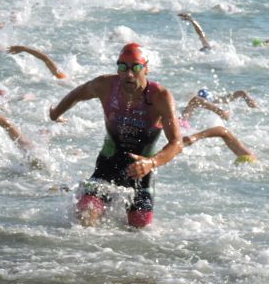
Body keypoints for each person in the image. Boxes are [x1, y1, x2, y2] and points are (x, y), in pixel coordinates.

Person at [48, 43, 182, 228]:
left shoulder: (160, 97)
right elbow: (78, 93)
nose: (128, 74)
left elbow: (176, 143)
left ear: (146, 68)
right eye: (122, 67)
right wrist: (56, 113)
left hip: (141, 172)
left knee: (139, 227)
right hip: (107, 165)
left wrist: (151, 163)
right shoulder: (106, 85)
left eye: (136, 67)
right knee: (85, 217)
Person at [183, 126, 257, 164]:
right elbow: (223, 132)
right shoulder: (250, 157)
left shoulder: (249, 156)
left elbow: (223, 131)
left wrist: (195, 137)